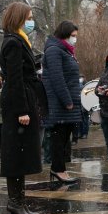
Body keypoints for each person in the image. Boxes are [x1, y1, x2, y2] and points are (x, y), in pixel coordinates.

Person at [0, 2, 47, 214]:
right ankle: (15, 202)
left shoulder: (18, 40)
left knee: (21, 153)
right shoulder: (14, 43)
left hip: (24, 96)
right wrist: (22, 110)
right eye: (28, 18)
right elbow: (15, 78)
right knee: (16, 154)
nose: (31, 22)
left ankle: (19, 202)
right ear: (19, 19)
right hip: (18, 101)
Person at [42, 20, 81, 184]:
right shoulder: (54, 51)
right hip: (61, 104)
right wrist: (67, 100)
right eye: (73, 36)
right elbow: (57, 78)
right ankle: (58, 170)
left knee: (64, 138)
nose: (75, 39)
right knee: (59, 138)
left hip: (66, 103)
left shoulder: (64, 50)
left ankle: (60, 169)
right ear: (64, 35)